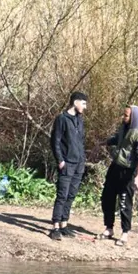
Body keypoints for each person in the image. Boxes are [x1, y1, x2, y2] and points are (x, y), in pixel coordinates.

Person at [100, 105, 138, 246]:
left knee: (124, 202)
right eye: (124, 114)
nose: (123, 117)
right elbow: (117, 139)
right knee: (107, 197)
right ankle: (109, 228)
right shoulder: (123, 128)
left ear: (133, 117)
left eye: (126, 115)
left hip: (128, 172)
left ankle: (125, 233)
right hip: (115, 168)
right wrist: (103, 143)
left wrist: (137, 178)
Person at [49, 92, 88, 240]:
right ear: (76, 102)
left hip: (79, 164)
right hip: (67, 163)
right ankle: (55, 227)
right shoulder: (62, 118)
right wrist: (60, 160)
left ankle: (64, 225)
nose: (85, 107)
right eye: (83, 103)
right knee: (62, 195)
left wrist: (82, 159)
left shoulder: (80, 119)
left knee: (71, 195)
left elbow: (80, 141)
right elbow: (55, 141)